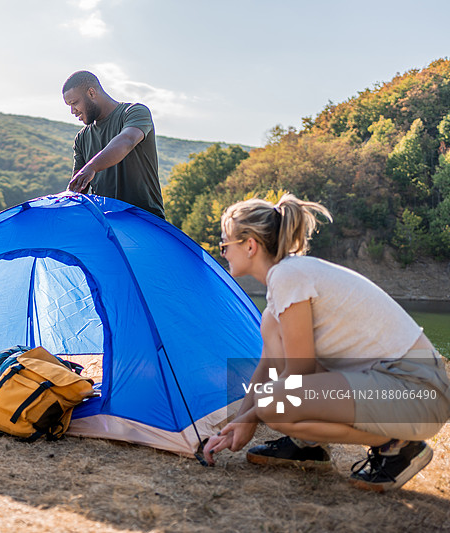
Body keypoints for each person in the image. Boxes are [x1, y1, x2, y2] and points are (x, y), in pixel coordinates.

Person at [203, 193, 450, 492]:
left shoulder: (288, 276)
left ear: (250, 245)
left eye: (224, 244)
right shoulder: (286, 281)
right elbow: (268, 366)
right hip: (399, 385)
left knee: (273, 404)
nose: (223, 252)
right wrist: (240, 421)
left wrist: (253, 418)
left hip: (417, 391)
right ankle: (307, 446)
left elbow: (299, 373)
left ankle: (399, 445)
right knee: (270, 367)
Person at [62, 70, 165, 219]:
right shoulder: (81, 139)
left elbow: (127, 140)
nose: (72, 111)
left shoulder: (134, 112)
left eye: (74, 103)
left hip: (145, 220)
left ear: (91, 93)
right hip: (109, 225)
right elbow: (78, 188)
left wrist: (92, 167)